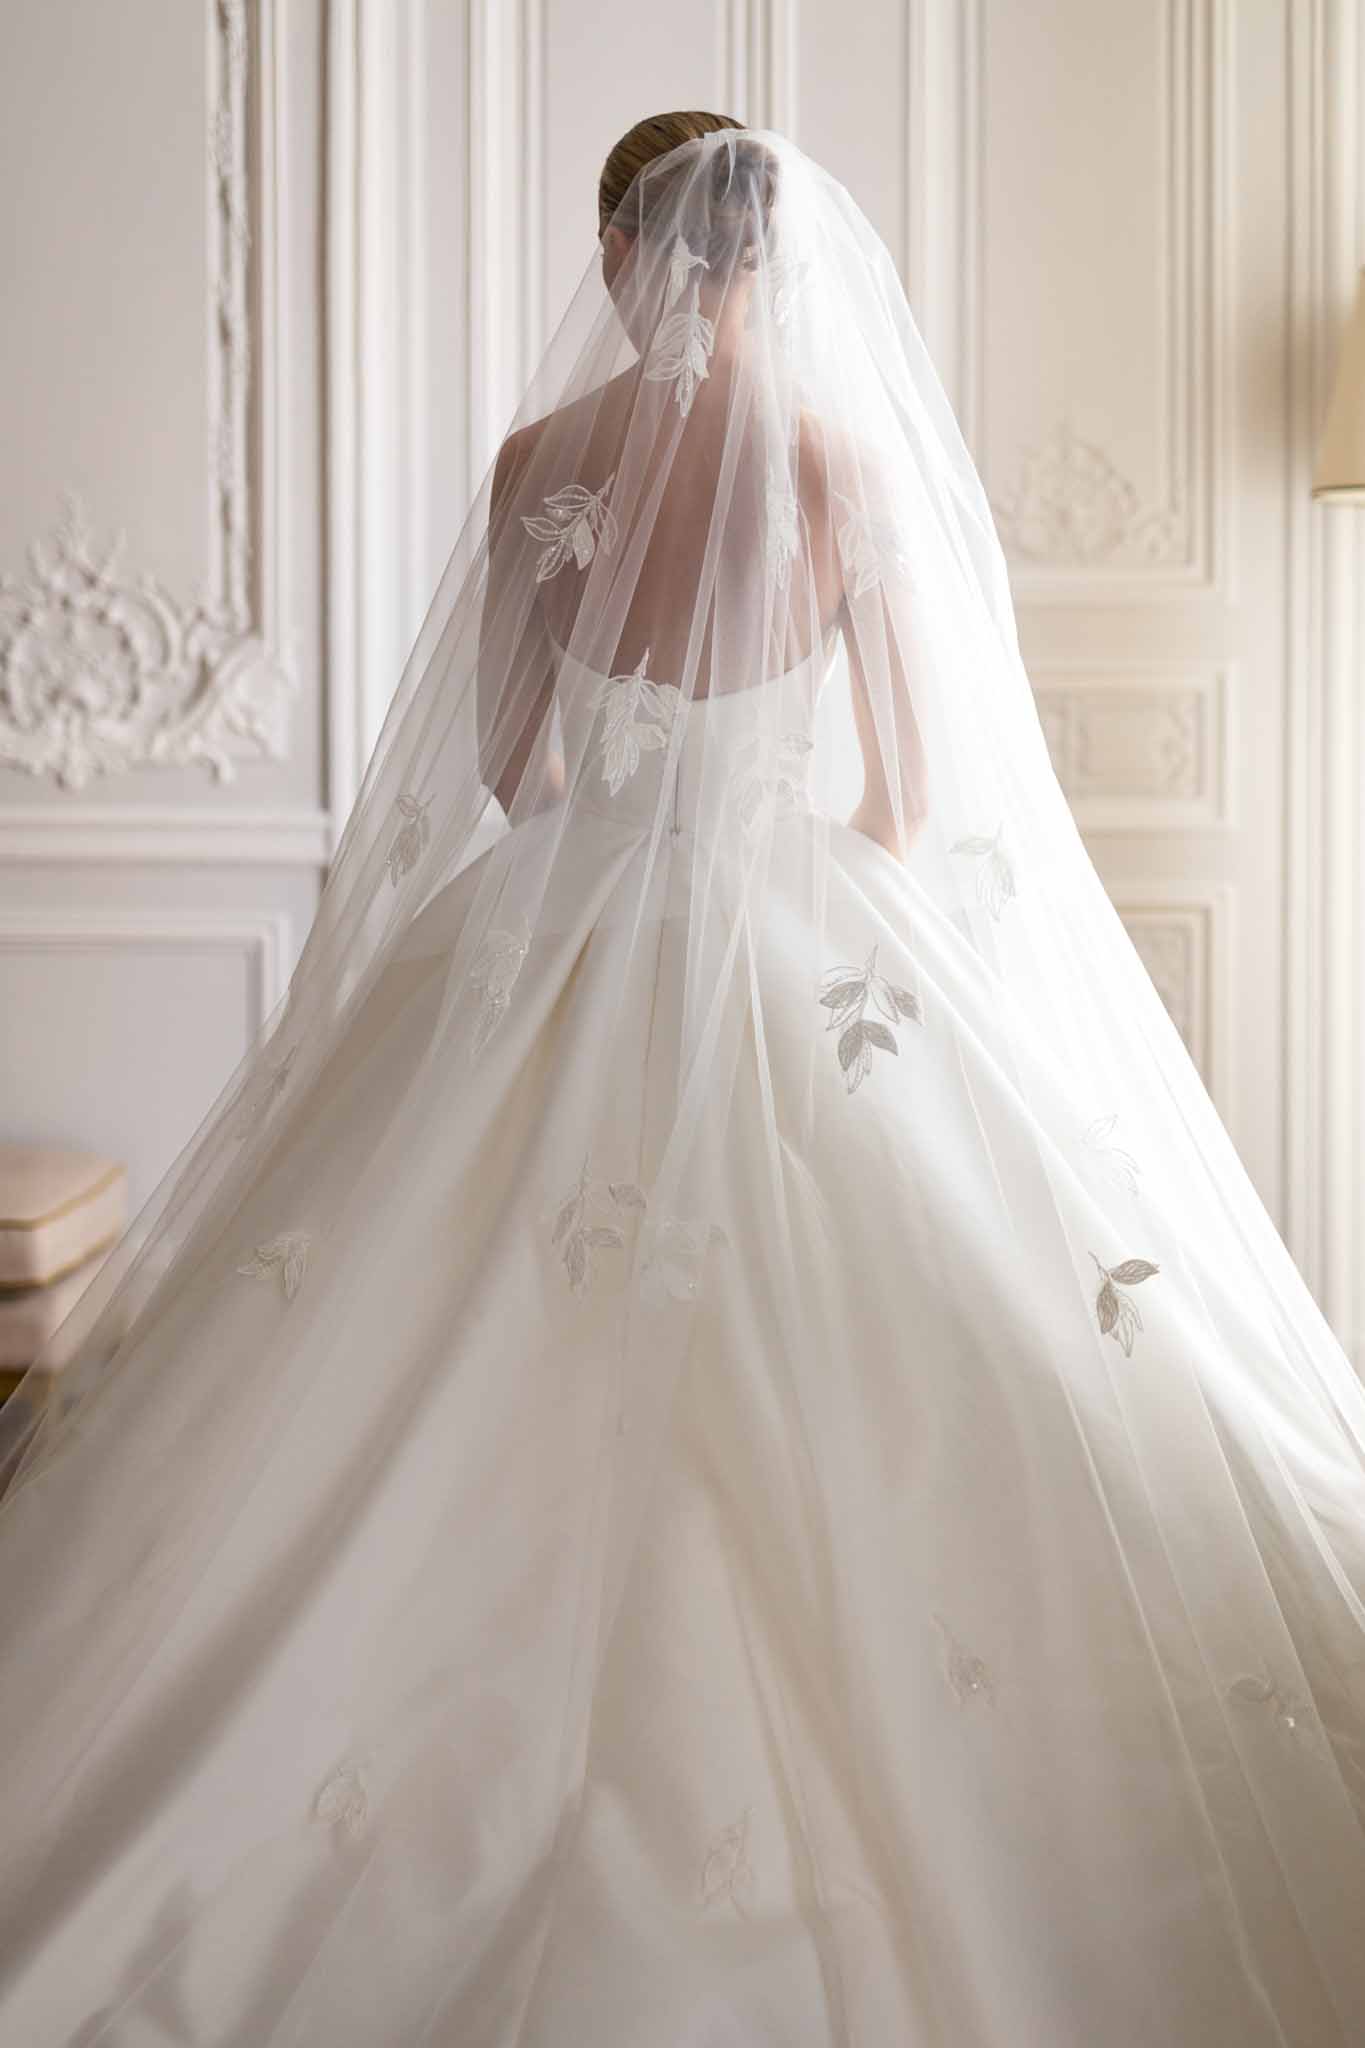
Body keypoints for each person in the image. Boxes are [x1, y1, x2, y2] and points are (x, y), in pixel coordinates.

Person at [2, 109, 1365, 2046]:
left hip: (554, 934)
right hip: (794, 936)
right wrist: (787, 889)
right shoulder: (830, 462)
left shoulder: (533, 466)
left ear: (618, 250)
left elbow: (505, 770)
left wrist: (602, 857)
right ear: (766, 259)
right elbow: (904, 794)